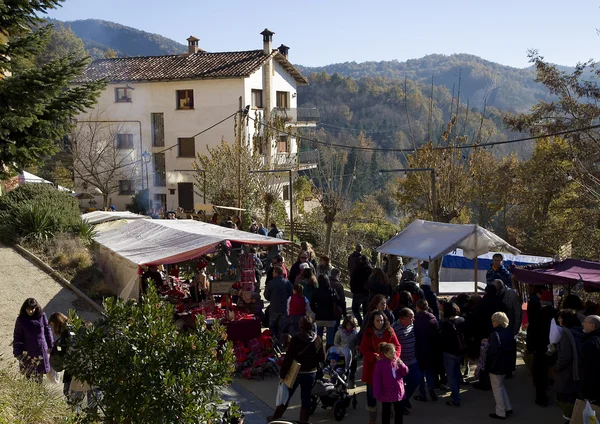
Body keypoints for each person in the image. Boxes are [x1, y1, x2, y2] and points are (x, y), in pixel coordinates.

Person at [270, 316, 325, 422]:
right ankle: (303, 421)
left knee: (286, 396)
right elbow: (322, 358)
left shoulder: (296, 338)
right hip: (311, 372)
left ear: (300, 326)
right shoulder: (317, 339)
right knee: (306, 398)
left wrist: (282, 375)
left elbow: (288, 358)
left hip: (296, 372)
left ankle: (275, 419)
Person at [360, 310, 401, 424]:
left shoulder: (390, 331)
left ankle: (388, 413)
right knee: (371, 395)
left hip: (388, 368)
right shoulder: (368, 333)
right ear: (373, 322)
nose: (380, 323)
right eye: (377, 321)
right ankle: (372, 418)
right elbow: (364, 349)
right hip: (372, 368)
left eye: (381, 320)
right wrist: (375, 356)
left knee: (388, 392)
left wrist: (395, 356)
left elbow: (397, 345)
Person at [553, 308, 585, 421]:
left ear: (565, 319)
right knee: (576, 401)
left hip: (567, 373)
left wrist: (556, 367)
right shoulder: (581, 330)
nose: (558, 319)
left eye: (560, 317)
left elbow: (565, 356)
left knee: (567, 404)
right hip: (578, 371)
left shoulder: (565, 333)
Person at [12, 298, 53, 382]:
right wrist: (18, 353)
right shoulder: (21, 320)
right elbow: (17, 336)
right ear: (25, 308)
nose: (30, 312)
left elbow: (47, 331)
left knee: (39, 376)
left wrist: (50, 346)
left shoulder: (41, 316)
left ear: (36, 308)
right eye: (28, 309)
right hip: (28, 352)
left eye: (32, 309)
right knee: (29, 376)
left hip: (40, 350)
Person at [487, 311, 516, 420]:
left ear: (497, 321)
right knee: (500, 386)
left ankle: (500, 412)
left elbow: (492, 351)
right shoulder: (509, 332)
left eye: (493, 320)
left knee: (497, 388)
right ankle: (507, 407)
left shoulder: (495, 334)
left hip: (496, 364)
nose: (492, 322)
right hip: (507, 363)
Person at [372, 342, 409, 424]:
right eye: (391, 352)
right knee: (386, 411)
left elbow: (405, 372)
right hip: (386, 391)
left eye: (394, 351)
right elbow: (376, 378)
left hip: (397, 390)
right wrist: (377, 392)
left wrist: (402, 364)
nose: (394, 353)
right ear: (385, 354)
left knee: (399, 411)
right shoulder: (380, 364)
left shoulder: (397, 360)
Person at [393, 308, 420, 414]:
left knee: (416, 380)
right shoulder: (395, 329)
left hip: (413, 360)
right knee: (400, 386)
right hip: (401, 363)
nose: (413, 318)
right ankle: (400, 406)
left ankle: (404, 399)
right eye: (411, 316)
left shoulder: (412, 326)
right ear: (402, 318)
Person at [493, 279, 522, 378]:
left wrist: (515, 329)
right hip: (498, 326)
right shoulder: (494, 293)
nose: (496, 291)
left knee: (510, 349)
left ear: (502, 287)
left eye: (497, 289)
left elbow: (518, 312)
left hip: (510, 327)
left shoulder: (511, 294)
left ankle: (509, 370)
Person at [439, 302, 465, 407]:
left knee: (451, 376)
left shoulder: (445, 324)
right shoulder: (463, 321)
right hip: (460, 351)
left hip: (448, 352)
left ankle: (456, 399)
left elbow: (442, 339)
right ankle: (456, 392)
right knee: (457, 373)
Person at [414, 299, 439, 403]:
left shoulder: (415, 319)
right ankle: (431, 388)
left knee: (420, 372)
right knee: (429, 371)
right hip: (430, 348)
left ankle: (422, 393)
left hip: (419, 347)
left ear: (418, 307)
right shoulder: (432, 318)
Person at [310, 275, 344, 348]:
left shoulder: (317, 291)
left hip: (319, 317)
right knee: (330, 337)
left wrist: (316, 311)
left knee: (319, 336)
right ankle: (329, 352)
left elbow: (311, 304)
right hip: (331, 317)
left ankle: (319, 350)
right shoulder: (332, 291)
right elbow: (338, 302)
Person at [48, 312, 74, 398]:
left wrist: (54, 351)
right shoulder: (71, 329)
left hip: (72, 368)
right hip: (75, 367)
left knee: (68, 392)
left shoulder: (67, 333)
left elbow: (66, 352)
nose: (53, 329)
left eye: (52, 325)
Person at [264, 266, 292, 339]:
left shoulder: (270, 283)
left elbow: (266, 295)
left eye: (273, 272)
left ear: (276, 273)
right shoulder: (287, 282)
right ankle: (281, 342)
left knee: (272, 326)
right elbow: (291, 294)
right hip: (284, 308)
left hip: (274, 308)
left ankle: (273, 342)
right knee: (282, 327)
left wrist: (272, 299)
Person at [334, 315, 359, 388]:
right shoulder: (339, 332)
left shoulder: (356, 332)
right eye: (347, 325)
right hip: (343, 355)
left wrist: (357, 346)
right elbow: (336, 342)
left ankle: (352, 381)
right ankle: (343, 383)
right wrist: (340, 350)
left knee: (353, 370)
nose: (349, 327)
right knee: (344, 370)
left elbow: (358, 342)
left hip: (353, 354)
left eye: (350, 325)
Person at [581, 315, 600, 403]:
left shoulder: (591, 342)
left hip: (593, 387)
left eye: (585, 322)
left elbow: (589, 369)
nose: (582, 324)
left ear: (592, 326)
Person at [350, 255, 372, 326]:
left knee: (355, 309)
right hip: (367, 292)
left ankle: (360, 321)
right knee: (365, 310)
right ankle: (365, 323)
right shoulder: (370, 269)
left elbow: (352, 280)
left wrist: (353, 289)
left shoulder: (357, 268)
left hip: (357, 292)